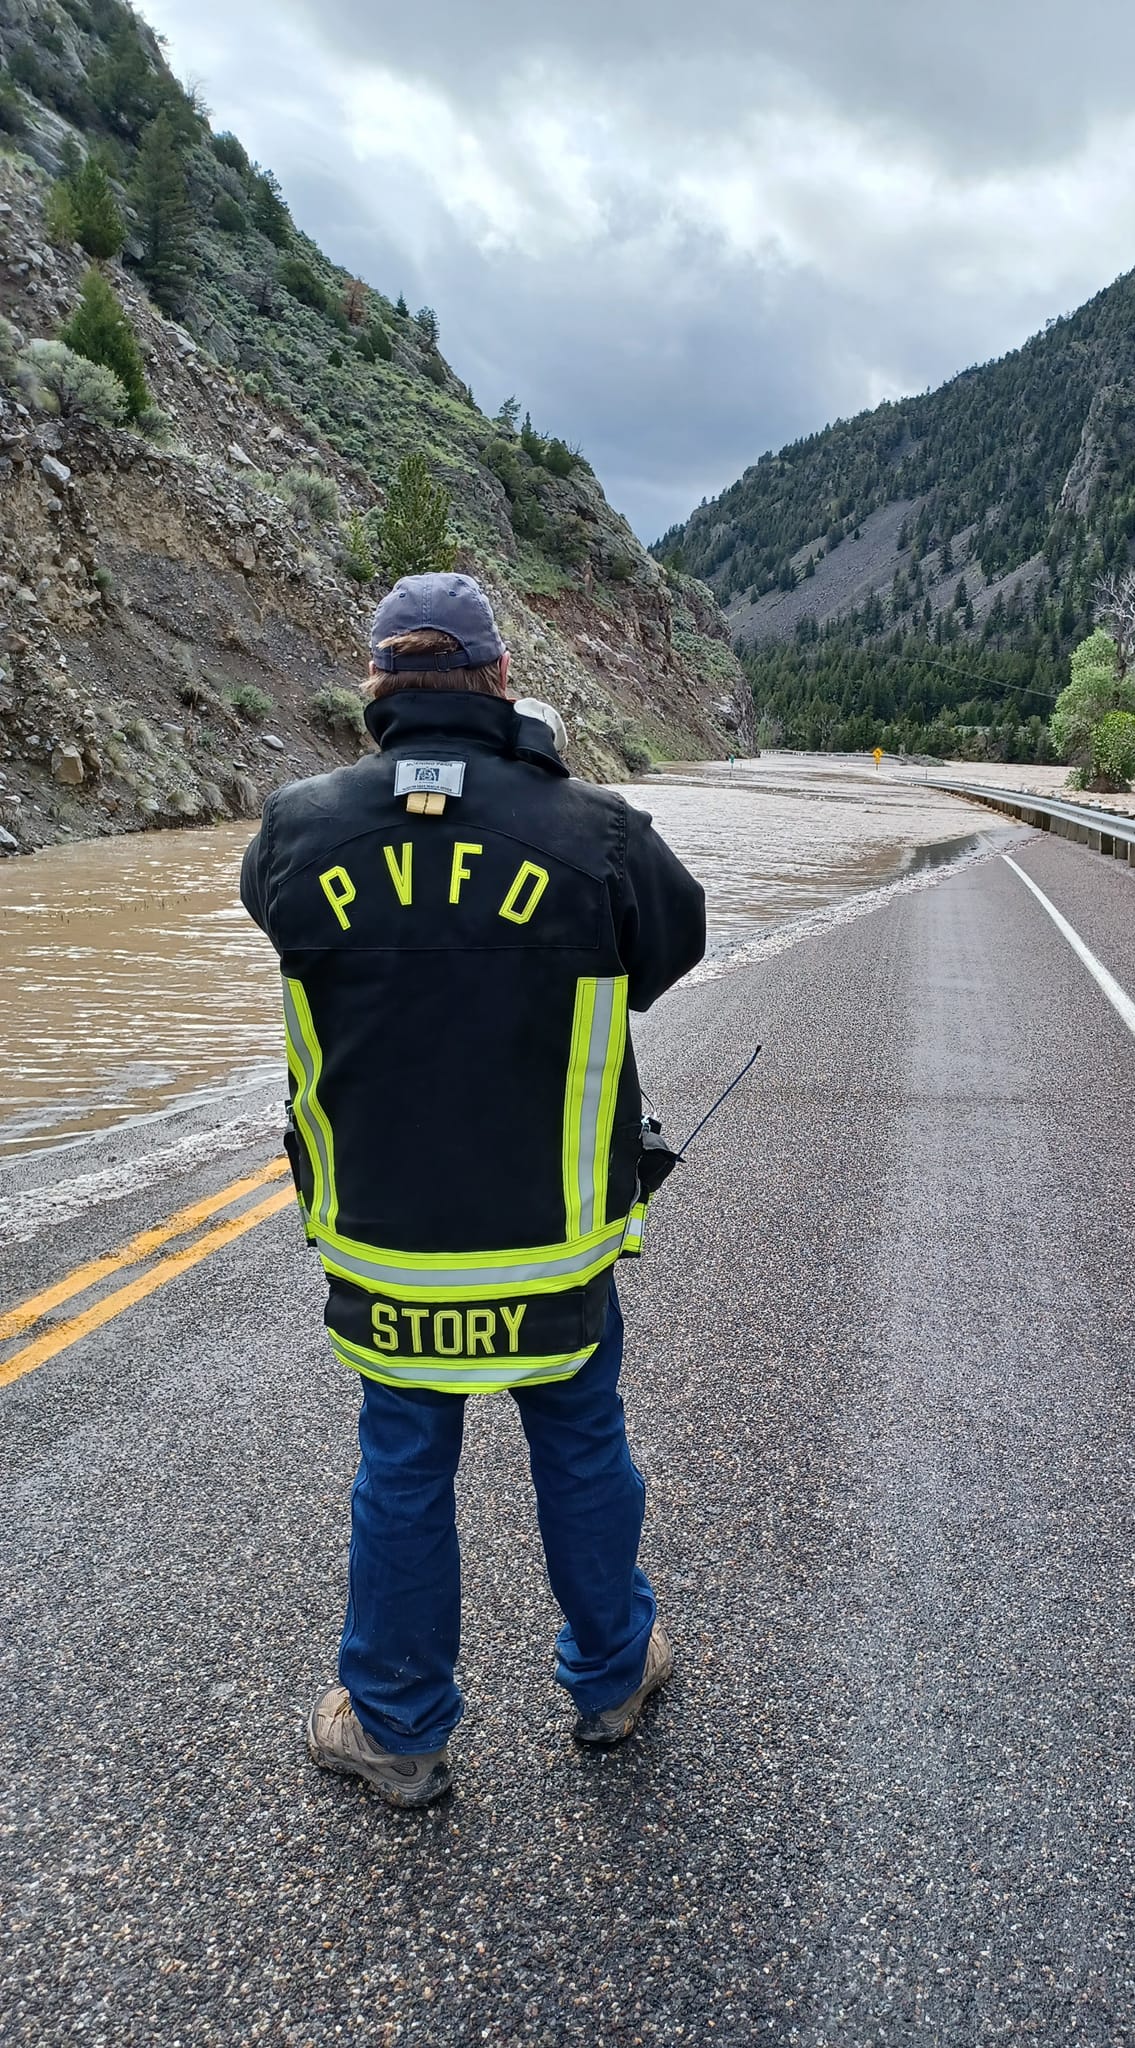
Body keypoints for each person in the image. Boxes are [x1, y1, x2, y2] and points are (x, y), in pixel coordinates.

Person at [240, 572, 706, 1807]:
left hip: (385, 1248)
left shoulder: (296, 827)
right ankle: (613, 1677)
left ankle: (395, 1726)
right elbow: (674, 943)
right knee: (581, 1439)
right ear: (503, 682)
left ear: (376, 691)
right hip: (555, 1247)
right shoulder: (593, 830)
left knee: (403, 1462)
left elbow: (283, 921)